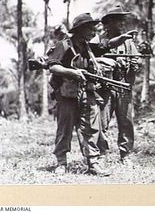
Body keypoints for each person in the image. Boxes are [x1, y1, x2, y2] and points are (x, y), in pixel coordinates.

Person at [47, 13, 110, 176]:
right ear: (80, 30)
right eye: (90, 28)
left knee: (91, 127)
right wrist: (72, 73)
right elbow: (53, 67)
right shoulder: (64, 45)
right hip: (67, 94)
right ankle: (61, 163)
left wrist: (123, 37)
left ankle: (93, 163)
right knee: (65, 129)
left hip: (86, 93)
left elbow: (107, 46)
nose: (93, 31)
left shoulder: (88, 48)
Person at [90, 5, 141, 165]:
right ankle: (102, 154)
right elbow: (91, 59)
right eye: (119, 20)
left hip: (124, 86)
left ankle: (126, 155)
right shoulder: (98, 40)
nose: (122, 24)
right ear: (109, 22)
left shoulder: (128, 42)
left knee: (126, 122)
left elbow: (136, 60)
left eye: (123, 20)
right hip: (105, 88)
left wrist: (135, 63)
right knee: (102, 123)